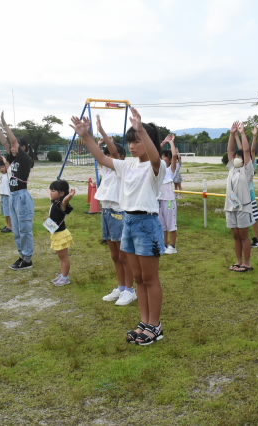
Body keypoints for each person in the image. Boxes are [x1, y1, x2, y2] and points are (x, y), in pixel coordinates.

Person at [71, 107, 166, 345]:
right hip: (128, 222)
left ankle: (155, 326)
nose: (132, 146)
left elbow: (155, 157)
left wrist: (141, 129)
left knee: (150, 278)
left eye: (137, 141)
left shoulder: (156, 166)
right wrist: (86, 136)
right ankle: (144, 322)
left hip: (147, 224)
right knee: (138, 278)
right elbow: (102, 158)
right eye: (130, 141)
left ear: (149, 141)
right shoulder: (128, 165)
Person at [94, 115, 136, 306]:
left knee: (124, 255)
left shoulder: (122, 169)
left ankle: (130, 289)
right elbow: (98, 154)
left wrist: (104, 133)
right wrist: (96, 140)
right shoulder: (106, 170)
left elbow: (113, 153)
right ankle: (120, 287)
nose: (109, 157)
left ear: (120, 157)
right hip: (106, 211)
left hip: (119, 213)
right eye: (108, 155)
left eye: (112, 154)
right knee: (114, 255)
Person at [0, 112, 35, 270]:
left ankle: (27, 259)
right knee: (16, 229)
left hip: (22, 196)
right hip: (13, 196)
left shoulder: (25, 159)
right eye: (13, 147)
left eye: (16, 146)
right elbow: (6, 143)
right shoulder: (13, 159)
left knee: (24, 228)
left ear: (23, 148)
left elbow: (12, 141)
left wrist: (5, 124)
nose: (12, 148)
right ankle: (22, 256)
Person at [225, 121, 254, 273]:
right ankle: (238, 261)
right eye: (235, 157)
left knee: (243, 235)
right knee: (236, 236)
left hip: (243, 207)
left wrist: (242, 133)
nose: (235, 158)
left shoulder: (247, 170)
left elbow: (247, 151)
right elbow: (229, 150)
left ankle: (247, 263)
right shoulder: (232, 169)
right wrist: (231, 134)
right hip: (231, 206)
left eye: (238, 157)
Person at [45, 179, 76, 286]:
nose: (50, 192)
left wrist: (69, 196)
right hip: (56, 233)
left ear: (61, 193)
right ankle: (63, 275)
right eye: (51, 190)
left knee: (64, 258)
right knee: (61, 258)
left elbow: (65, 202)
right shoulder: (54, 202)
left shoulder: (61, 204)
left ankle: (65, 277)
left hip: (61, 235)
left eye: (53, 191)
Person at [159, 133, 179, 254]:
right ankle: (164, 244)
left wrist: (171, 142)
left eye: (165, 158)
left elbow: (175, 156)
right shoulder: (158, 169)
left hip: (169, 200)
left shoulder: (170, 170)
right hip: (159, 200)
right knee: (162, 225)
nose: (163, 159)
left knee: (171, 224)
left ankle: (173, 246)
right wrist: (163, 142)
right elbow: (154, 153)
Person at [0, 153, 13, 233]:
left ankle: (10, 227)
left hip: (7, 196)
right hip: (2, 197)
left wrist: (3, 158)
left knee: (8, 213)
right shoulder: (1, 175)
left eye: (2, 167)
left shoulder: (8, 174)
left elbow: (7, 165)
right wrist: (0, 159)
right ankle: (7, 225)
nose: (1, 169)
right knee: (5, 213)